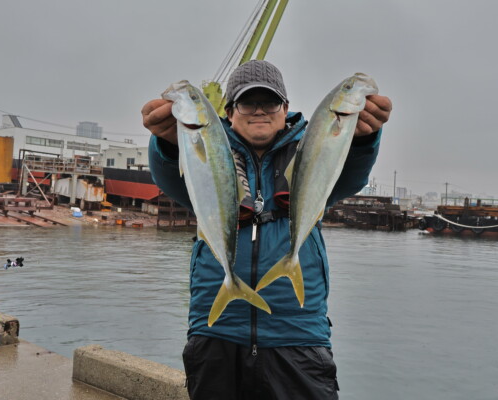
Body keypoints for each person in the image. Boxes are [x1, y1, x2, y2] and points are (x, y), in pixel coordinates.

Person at [142, 60, 392, 400]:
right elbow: (171, 176)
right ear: (229, 111)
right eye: (247, 102)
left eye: (270, 102)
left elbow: (352, 174)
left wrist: (363, 140)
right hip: (216, 335)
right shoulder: (210, 152)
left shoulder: (313, 149)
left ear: (285, 108)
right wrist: (170, 145)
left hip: (298, 336)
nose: (259, 110)